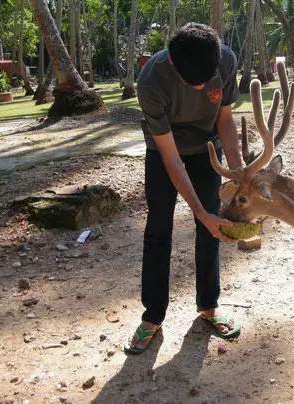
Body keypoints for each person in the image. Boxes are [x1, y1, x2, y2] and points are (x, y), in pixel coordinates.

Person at [125, 23, 244, 354]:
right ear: (173, 64)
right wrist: (201, 212)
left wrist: (238, 173)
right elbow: (171, 160)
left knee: (211, 230)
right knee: (158, 229)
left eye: (206, 82)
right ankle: (153, 316)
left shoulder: (225, 60)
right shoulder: (150, 80)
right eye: (194, 83)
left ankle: (208, 305)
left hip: (207, 149)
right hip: (165, 153)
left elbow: (225, 120)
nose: (201, 87)